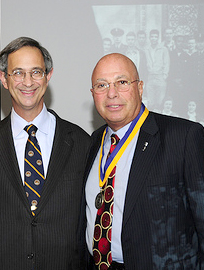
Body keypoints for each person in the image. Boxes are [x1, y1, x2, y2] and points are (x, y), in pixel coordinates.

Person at [0, 36, 91, 269]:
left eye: (36, 72)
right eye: (18, 73)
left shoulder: (81, 142)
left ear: (48, 76)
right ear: (3, 79)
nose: (28, 82)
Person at [80, 53, 204, 269]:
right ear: (93, 94)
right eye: (101, 85)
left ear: (140, 87)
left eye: (122, 82)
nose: (111, 93)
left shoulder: (183, 137)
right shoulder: (93, 142)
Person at [144, 29, 170, 111]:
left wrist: (164, 75)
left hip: (160, 77)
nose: (154, 38)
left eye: (155, 37)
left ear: (158, 38)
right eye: (152, 37)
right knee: (150, 100)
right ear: (149, 38)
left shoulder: (163, 49)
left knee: (160, 100)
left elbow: (167, 63)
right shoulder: (146, 49)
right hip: (150, 77)